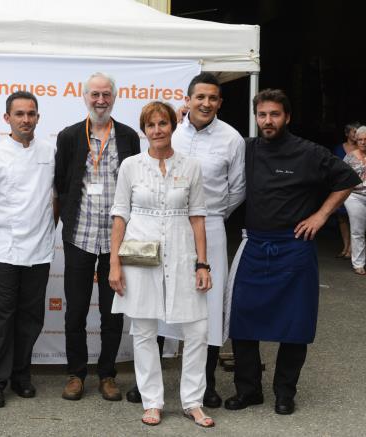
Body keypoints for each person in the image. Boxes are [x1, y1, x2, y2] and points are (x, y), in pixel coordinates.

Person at [225, 89, 360, 415]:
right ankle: (249, 390)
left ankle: (285, 393)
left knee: (295, 325)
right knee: (242, 322)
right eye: (262, 115)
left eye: (274, 114)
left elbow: (348, 178)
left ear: (287, 117)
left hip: (294, 248)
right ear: (256, 118)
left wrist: (321, 215)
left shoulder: (309, 152)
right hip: (255, 245)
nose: (267, 121)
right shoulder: (248, 149)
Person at [109, 101, 214, 428]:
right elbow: (119, 216)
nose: (157, 130)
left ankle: (193, 402)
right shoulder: (130, 166)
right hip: (140, 254)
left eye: (163, 124)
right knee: (143, 330)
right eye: (151, 125)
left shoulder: (191, 166)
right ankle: (152, 401)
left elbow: (197, 217)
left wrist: (203, 264)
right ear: (144, 130)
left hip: (183, 252)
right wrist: (114, 263)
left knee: (196, 328)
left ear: (172, 126)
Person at [155, 72, 245, 408]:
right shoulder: (170, 131)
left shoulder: (232, 139)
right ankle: (155, 384)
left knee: (207, 305)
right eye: (200, 97)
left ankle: (206, 384)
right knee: (163, 299)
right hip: (170, 226)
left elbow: (237, 188)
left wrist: (212, 214)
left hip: (210, 227)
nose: (206, 103)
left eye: (212, 98)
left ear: (220, 103)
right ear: (189, 99)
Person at [0, 91, 56, 408]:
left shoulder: (49, 151)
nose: (26, 119)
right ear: (7, 119)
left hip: (40, 250)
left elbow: (53, 199)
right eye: (19, 114)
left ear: (38, 118)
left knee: (30, 318)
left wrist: (47, 227)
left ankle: (21, 375)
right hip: (3, 250)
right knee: (1, 319)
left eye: (31, 114)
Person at [55, 72, 141, 402]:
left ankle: (107, 375)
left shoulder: (130, 137)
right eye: (95, 94)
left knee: (112, 311)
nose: (100, 100)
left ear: (114, 98)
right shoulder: (69, 136)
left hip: (117, 239)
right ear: (85, 97)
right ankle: (76, 374)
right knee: (75, 309)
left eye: (106, 94)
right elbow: (61, 184)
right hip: (79, 235)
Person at [333, 122, 360, 259]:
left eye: (357, 132)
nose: (356, 134)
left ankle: (351, 249)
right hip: (342, 185)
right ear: (347, 133)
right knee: (342, 218)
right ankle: (345, 247)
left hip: (357, 187)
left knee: (354, 218)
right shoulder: (339, 149)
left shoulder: (362, 147)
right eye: (353, 132)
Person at [343, 126, 366, 275]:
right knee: (358, 230)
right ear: (356, 140)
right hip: (354, 196)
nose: (363, 142)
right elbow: (341, 177)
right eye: (360, 140)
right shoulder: (349, 157)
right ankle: (359, 263)